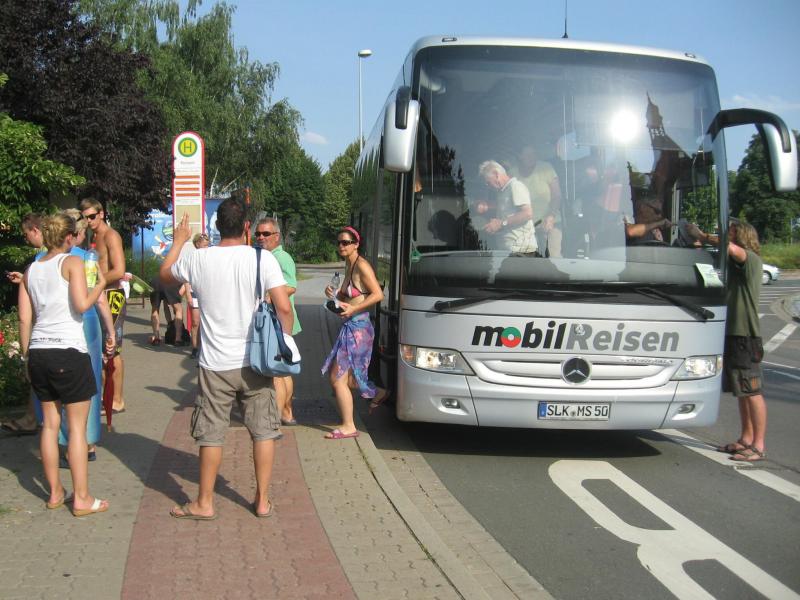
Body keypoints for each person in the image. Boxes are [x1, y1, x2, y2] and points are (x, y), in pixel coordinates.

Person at [160, 201, 294, 520]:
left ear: (217, 226)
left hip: (214, 363)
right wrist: (284, 343)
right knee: (263, 430)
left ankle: (204, 502)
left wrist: (179, 241)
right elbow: (283, 307)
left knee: (211, 433)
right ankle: (262, 501)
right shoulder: (262, 258)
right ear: (247, 227)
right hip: (255, 360)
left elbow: (164, 276)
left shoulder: (198, 258)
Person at [18, 213, 110, 516]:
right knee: (77, 429)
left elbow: (24, 319)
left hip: (39, 352)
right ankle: (82, 497)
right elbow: (82, 305)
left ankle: (56, 492)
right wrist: (100, 284)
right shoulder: (72, 263)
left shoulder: (31, 270)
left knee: (49, 425)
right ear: (69, 237)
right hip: (68, 350)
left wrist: (26, 356)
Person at [688, 220, 767, 462]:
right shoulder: (734, 265)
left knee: (752, 391)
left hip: (746, 335)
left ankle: (758, 445)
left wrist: (702, 234)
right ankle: (746, 439)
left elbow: (731, 249)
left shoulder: (750, 259)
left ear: (742, 236)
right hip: (733, 334)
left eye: (731, 233)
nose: (726, 237)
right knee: (742, 391)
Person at [49, 209, 116, 467]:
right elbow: (98, 299)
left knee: (57, 391)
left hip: (52, 331)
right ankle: (87, 442)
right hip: (85, 323)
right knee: (89, 383)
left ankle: (63, 442)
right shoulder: (86, 258)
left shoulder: (40, 259)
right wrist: (110, 331)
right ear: (77, 232)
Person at [321, 226, 389, 439]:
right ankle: (378, 392)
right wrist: (333, 294)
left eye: (346, 242)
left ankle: (349, 426)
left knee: (337, 378)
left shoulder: (362, 266)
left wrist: (354, 308)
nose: (341, 246)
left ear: (356, 244)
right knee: (351, 380)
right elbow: (347, 296)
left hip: (359, 330)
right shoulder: (349, 264)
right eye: (339, 242)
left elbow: (378, 294)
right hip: (352, 328)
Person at [79, 198, 127, 413]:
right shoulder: (93, 236)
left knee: (112, 349)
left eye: (91, 216)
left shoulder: (110, 235)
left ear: (101, 214)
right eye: (85, 217)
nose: (88, 221)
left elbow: (119, 270)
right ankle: (104, 397)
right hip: (98, 295)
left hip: (112, 295)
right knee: (101, 349)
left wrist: (93, 284)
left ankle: (117, 400)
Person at [254, 218, 302, 426]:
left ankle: (274, 421)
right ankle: (287, 413)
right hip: (278, 321)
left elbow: (291, 285)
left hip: (277, 322)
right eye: (258, 234)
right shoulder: (268, 256)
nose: (261, 237)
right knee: (284, 370)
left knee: (275, 374)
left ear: (277, 236)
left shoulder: (281, 257)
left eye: (266, 234)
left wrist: (269, 296)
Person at [2, 214, 46, 435]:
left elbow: (24, 318)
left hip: (44, 329)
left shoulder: (42, 258)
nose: (26, 239)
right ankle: (31, 417)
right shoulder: (65, 256)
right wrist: (25, 278)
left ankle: (33, 419)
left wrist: (25, 353)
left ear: (36, 230)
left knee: (39, 375)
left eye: (26, 234)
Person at [478, 160, 536, 254]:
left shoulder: (515, 186)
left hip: (521, 251)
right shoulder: (503, 191)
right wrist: (488, 207)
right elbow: (507, 208)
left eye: (488, 182)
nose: (488, 186)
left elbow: (527, 213)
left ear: (496, 174)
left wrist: (501, 223)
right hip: (511, 251)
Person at [510, 143, 562, 224]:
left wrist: (551, 216)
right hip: (525, 226)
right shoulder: (512, 173)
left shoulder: (546, 168)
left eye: (533, 154)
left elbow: (556, 195)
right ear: (520, 156)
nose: (531, 157)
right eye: (527, 155)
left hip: (548, 222)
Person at [186, 233, 210, 359]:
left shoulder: (211, 258)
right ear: (197, 244)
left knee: (206, 323)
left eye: (207, 245)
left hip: (207, 294)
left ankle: (204, 349)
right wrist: (188, 295)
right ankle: (195, 348)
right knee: (195, 322)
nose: (206, 248)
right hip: (194, 294)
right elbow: (186, 278)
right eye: (204, 245)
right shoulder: (191, 258)